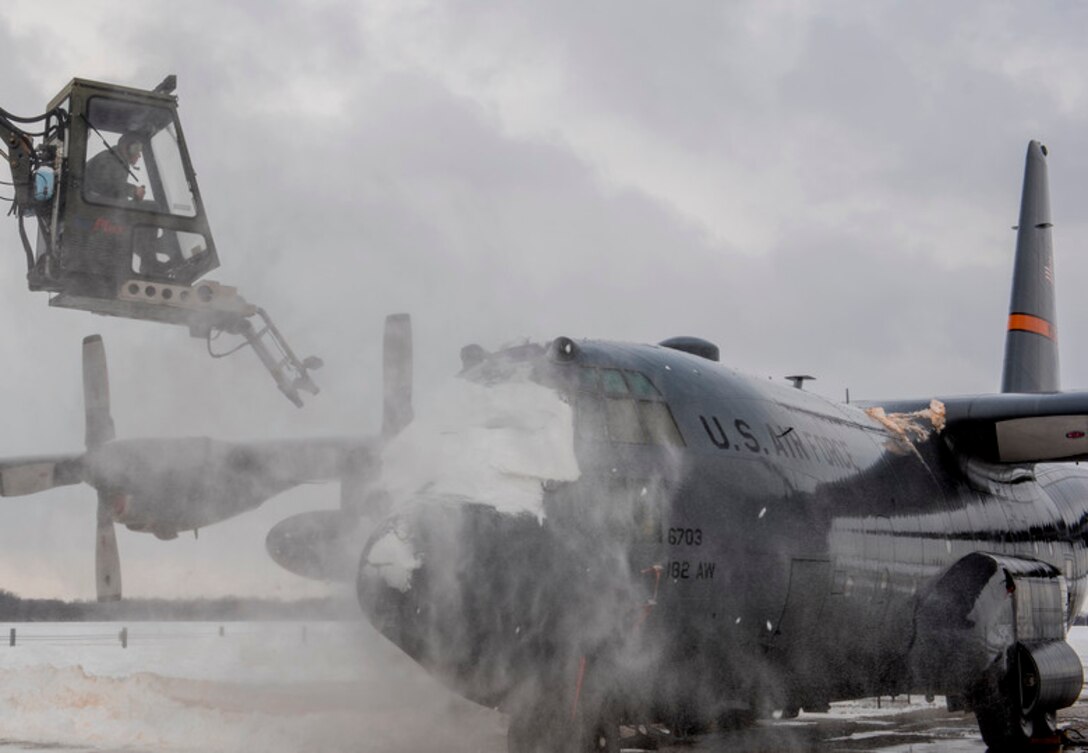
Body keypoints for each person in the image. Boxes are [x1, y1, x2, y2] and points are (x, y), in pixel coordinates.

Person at [84, 132, 146, 202]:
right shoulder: (108, 160)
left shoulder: (119, 161)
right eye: (137, 150)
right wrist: (133, 190)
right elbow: (108, 187)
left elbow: (115, 196)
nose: (139, 155)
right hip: (88, 203)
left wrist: (130, 202)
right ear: (129, 149)